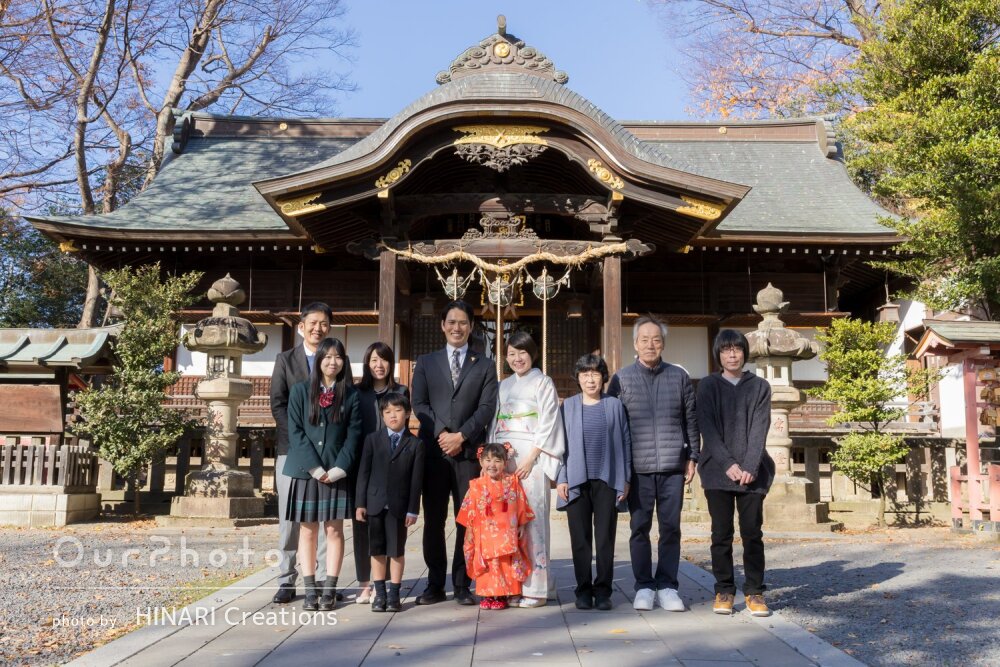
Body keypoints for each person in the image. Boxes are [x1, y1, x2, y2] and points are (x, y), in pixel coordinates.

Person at [608, 315, 699, 613]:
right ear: (635, 343)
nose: (650, 344)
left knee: (671, 528)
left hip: (673, 464)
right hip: (638, 468)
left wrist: (692, 457)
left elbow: (690, 419)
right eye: (644, 339)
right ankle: (644, 585)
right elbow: (614, 424)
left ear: (663, 344)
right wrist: (620, 469)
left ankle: (668, 585)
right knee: (639, 528)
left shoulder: (679, 376)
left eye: (656, 339)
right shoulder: (621, 379)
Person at [411, 299, 499, 606]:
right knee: (434, 519)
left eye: (463, 322)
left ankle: (463, 583)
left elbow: (486, 408)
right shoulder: (425, 362)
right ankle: (435, 583)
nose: (457, 328)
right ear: (442, 325)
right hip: (434, 453)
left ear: (471, 326)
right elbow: (419, 404)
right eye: (451, 322)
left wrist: (462, 435)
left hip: (467, 454)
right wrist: (441, 433)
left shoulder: (485, 365)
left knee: (467, 520)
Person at [697, 329, 774, 617]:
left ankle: (755, 592)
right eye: (726, 350)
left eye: (737, 349)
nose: (732, 354)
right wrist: (729, 464)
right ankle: (724, 590)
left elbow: (760, 428)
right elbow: (708, 428)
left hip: (752, 474)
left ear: (744, 352)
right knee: (721, 534)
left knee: (752, 533)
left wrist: (750, 466)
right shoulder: (707, 386)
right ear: (718, 354)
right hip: (718, 472)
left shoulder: (760, 387)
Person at [284, 337, 362, 611]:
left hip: (337, 471)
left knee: (335, 530)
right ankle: (309, 590)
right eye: (326, 356)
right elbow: (295, 432)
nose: (332, 361)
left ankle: (329, 588)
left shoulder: (351, 395)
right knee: (306, 531)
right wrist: (315, 468)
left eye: (338, 357)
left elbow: (354, 434)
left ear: (344, 362)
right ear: (318, 361)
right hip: (307, 472)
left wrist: (340, 468)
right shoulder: (299, 391)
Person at [489, 331, 564, 607]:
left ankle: (536, 588)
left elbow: (549, 422)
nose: (516, 358)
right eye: (511, 354)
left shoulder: (543, 383)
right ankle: (511, 584)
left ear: (532, 353)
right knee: (508, 524)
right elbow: (494, 424)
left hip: (531, 457)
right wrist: (494, 459)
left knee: (532, 521)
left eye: (521, 352)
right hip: (506, 458)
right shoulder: (503, 386)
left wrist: (532, 456)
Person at [557, 354, 632, 611]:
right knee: (580, 539)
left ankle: (603, 591)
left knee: (604, 539)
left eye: (595, 374)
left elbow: (625, 442)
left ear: (603, 378)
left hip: (608, 479)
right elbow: (560, 446)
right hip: (577, 480)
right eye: (585, 374)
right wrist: (562, 478)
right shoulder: (568, 407)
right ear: (578, 378)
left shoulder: (614, 405)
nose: (590, 379)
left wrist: (626, 479)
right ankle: (582, 590)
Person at [269, 302, 333, 604]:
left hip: (325, 454)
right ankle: (286, 579)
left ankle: (318, 579)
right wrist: (299, 442)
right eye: (313, 322)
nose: (318, 328)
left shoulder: (334, 360)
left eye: (323, 324)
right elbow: (277, 404)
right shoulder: (285, 360)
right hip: (292, 451)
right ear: (301, 326)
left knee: (323, 518)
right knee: (290, 520)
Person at [355, 392, 424, 613]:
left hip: (399, 506)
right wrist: (360, 503)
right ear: (382, 416)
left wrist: (413, 509)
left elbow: (416, 480)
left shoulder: (415, 444)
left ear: (407, 413)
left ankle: (394, 593)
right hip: (374, 503)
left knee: (396, 550)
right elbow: (363, 474)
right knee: (376, 549)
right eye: (387, 412)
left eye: (397, 410)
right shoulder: (372, 440)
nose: (392, 415)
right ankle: (380, 593)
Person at [353, 342, 410, 604]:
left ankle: (384, 585)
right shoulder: (358, 392)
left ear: (391, 363)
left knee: (391, 529)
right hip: (364, 463)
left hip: (394, 466)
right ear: (367, 363)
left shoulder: (401, 391)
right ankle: (366, 583)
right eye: (374, 360)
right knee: (364, 527)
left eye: (384, 360)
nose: (379, 365)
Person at [456, 442, 535, 610]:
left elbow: (520, 502)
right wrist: (469, 529)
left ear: (506, 463)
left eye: (498, 460)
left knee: (505, 563)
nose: (492, 465)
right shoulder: (476, 485)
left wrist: (521, 524)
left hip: (506, 531)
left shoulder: (512, 481)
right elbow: (469, 508)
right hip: (484, 533)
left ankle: (504, 594)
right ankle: (488, 594)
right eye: (488, 460)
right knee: (487, 564)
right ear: (481, 462)